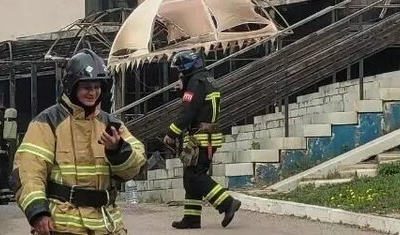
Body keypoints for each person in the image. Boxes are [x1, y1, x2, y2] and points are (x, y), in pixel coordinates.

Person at [12, 49, 145, 235]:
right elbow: (29, 170)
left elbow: (136, 166)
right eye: (86, 87)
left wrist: (117, 150)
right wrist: (38, 212)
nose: (92, 93)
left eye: (97, 87)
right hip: (63, 225)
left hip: (107, 225)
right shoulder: (48, 122)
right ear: (72, 87)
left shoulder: (111, 124)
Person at [163, 50, 241, 229]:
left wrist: (171, 133)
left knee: (196, 176)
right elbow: (200, 104)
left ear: (187, 68)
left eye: (180, 70)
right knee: (190, 178)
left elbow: (188, 112)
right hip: (209, 137)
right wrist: (183, 89)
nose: (179, 74)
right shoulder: (207, 80)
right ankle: (191, 218)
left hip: (200, 138)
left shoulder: (196, 84)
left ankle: (227, 203)